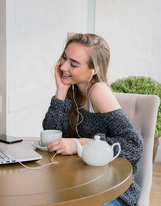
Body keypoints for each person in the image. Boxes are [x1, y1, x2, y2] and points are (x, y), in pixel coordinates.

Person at [42, 33, 144, 206]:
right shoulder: (72, 90)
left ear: (94, 69)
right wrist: (61, 90)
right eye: (64, 58)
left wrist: (79, 144)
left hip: (110, 191)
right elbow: (51, 135)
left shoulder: (98, 92)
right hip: (78, 185)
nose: (64, 66)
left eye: (73, 64)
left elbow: (134, 145)